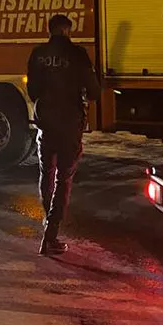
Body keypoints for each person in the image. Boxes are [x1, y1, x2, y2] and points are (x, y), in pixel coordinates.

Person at [26, 14, 100, 256]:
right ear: (68, 30)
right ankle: (51, 234)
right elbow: (94, 91)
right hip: (69, 123)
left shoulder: (37, 54)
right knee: (64, 178)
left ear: (50, 30)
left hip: (45, 123)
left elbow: (32, 90)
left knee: (46, 173)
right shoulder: (78, 54)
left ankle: (48, 223)